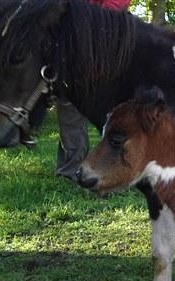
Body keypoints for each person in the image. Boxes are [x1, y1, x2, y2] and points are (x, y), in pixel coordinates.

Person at [55, 0, 131, 181]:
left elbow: (112, 9)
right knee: (69, 107)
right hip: (72, 50)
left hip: (107, 50)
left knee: (114, 114)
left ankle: (117, 168)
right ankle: (69, 170)